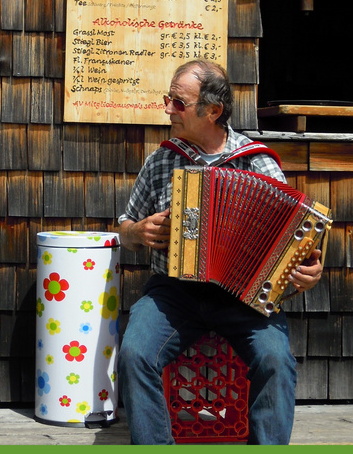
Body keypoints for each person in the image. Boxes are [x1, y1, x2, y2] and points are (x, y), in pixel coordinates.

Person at [116, 59, 323, 444]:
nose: (167, 109)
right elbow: (124, 225)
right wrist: (137, 231)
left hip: (243, 298)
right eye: (168, 99)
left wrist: (308, 271)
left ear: (212, 111)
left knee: (276, 360)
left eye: (177, 102)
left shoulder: (258, 162)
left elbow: (294, 243)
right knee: (134, 354)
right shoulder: (162, 159)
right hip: (174, 292)